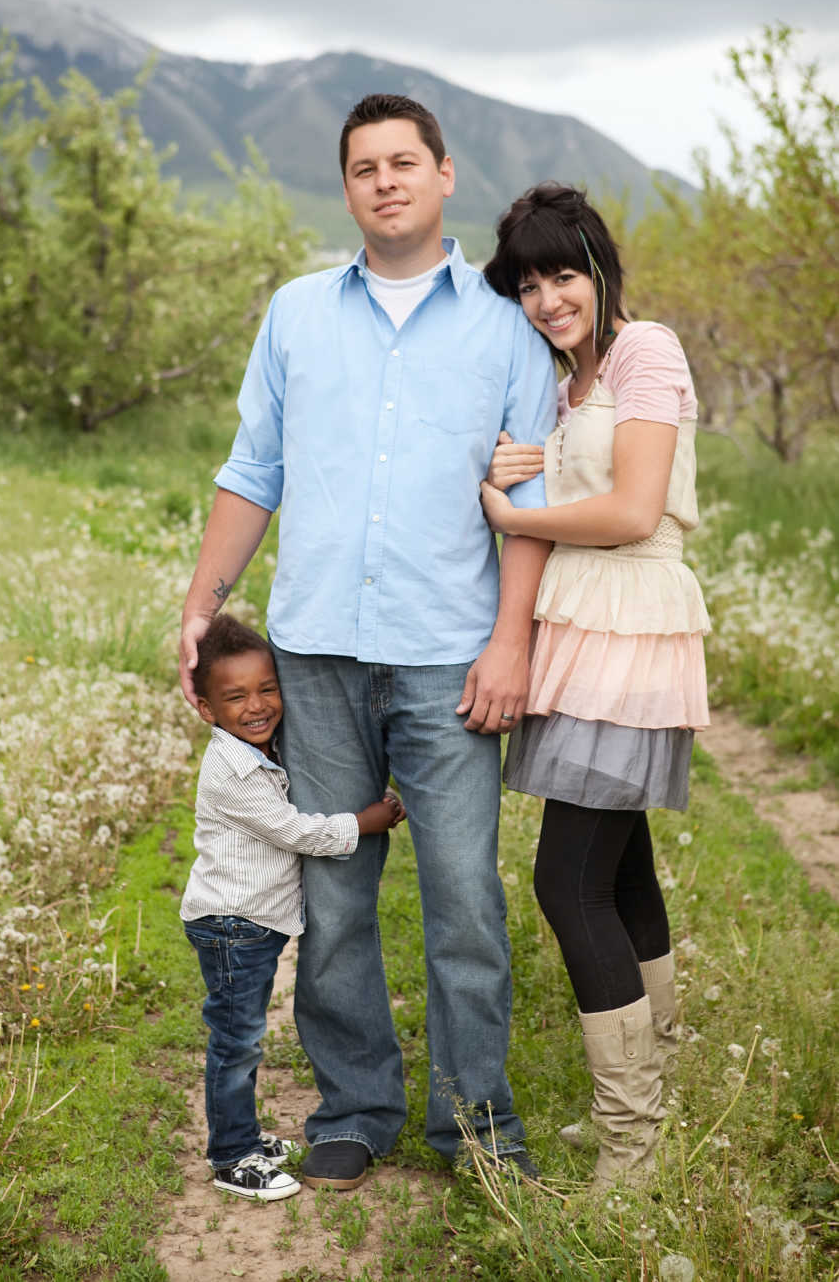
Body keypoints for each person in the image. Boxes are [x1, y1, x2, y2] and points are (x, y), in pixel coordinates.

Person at [180, 94, 558, 1189]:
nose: (384, 180)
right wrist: (204, 603)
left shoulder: (504, 329)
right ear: (347, 189)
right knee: (335, 896)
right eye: (363, 167)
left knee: (465, 902)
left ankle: (476, 1130)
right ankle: (354, 1108)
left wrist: (509, 642)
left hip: (449, 654)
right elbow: (254, 472)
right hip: (316, 652)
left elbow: (522, 500)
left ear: (445, 177)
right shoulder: (298, 313)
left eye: (405, 162)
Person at [479, 183, 710, 1185]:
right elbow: (573, 491)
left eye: (562, 274)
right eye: (527, 284)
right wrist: (516, 473)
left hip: (632, 628)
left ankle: (634, 1142)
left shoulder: (644, 351)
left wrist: (512, 513)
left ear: (599, 269)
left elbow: (634, 508)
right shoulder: (562, 384)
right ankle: (652, 1094)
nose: (547, 298)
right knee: (619, 875)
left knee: (566, 883)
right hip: (585, 632)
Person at [180, 613, 405, 1201]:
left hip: (250, 921)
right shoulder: (231, 771)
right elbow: (296, 830)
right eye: (235, 697)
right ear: (207, 710)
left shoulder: (261, 749)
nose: (257, 706)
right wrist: (365, 822)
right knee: (237, 1040)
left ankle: (245, 1134)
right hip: (232, 925)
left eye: (268, 689)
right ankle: (232, 1154)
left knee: (242, 1035)